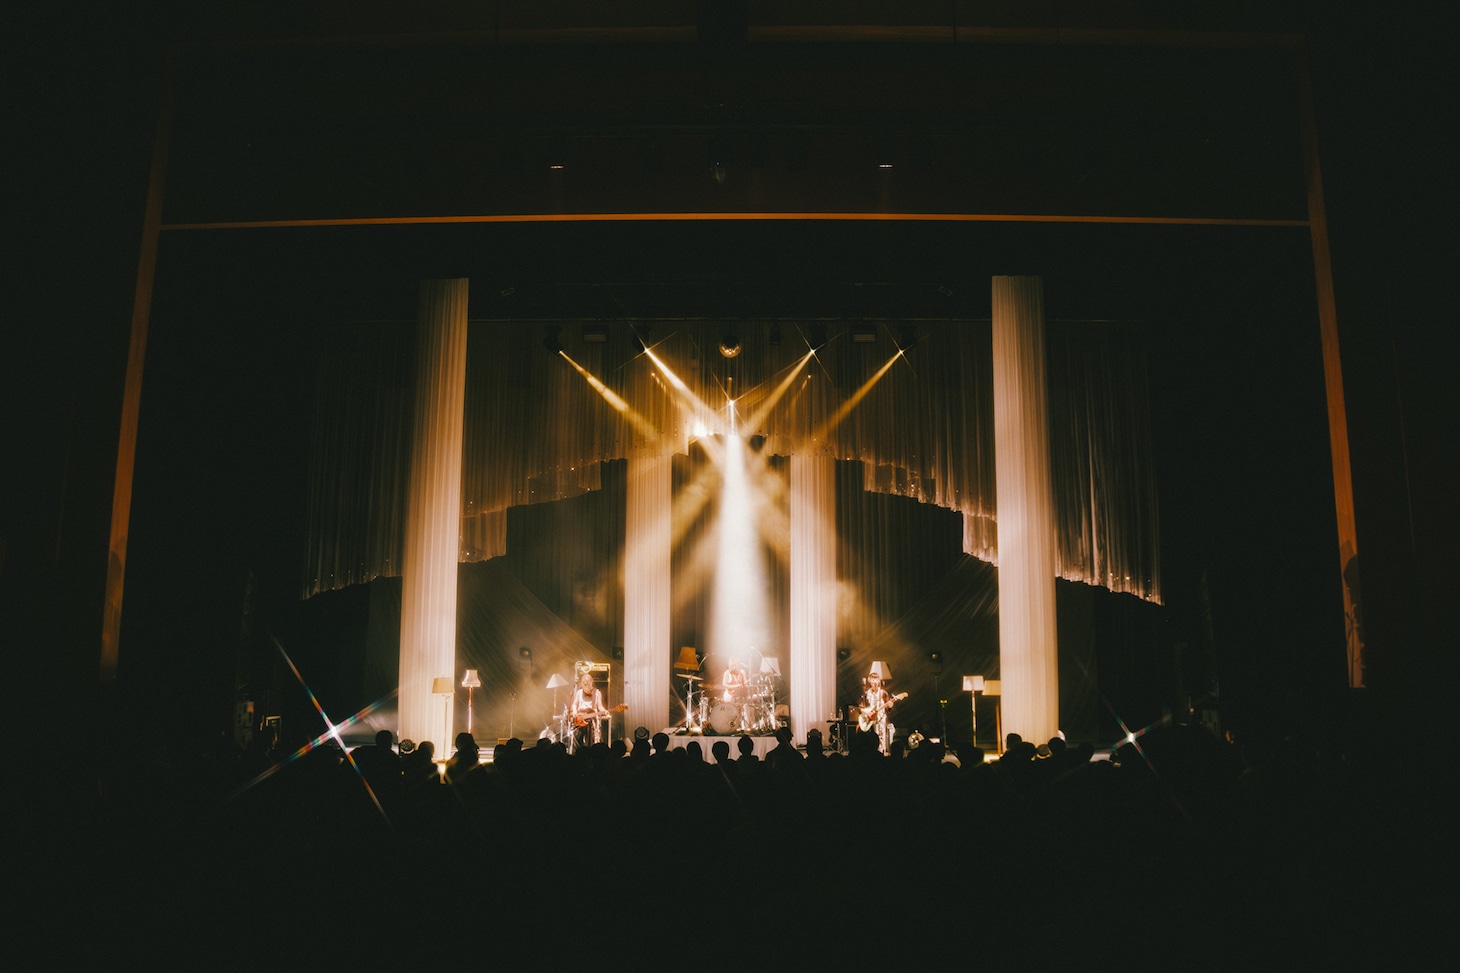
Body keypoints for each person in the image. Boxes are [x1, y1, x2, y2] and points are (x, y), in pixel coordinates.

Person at [569, 670, 610, 753]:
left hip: (592, 720)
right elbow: (574, 704)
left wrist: (605, 711)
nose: (586, 686)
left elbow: (600, 706)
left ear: (591, 682)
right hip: (580, 719)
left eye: (587, 684)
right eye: (584, 684)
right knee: (579, 737)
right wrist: (575, 712)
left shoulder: (597, 693)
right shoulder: (579, 692)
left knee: (591, 738)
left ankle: (591, 751)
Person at [859, 669, 898, 755]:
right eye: (872, 680)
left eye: (876, 680)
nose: (874, 682)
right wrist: (867, 713)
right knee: (870, 737)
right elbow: (861, 707)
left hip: (880, 718)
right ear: (870, 681)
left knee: (881, 736)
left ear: (879, 681)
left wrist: (890, 705)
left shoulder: (883, 693)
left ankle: (881, 753)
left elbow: (888, 707)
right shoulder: (866, 694)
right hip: (870, 719)